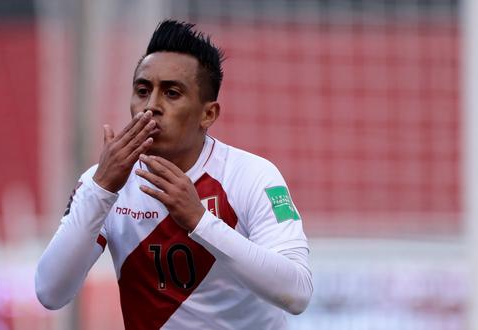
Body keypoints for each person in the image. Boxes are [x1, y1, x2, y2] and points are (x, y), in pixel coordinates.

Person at [35, 19, 313, 329]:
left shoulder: (252, 176)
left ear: (208, 114)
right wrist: (100, 189)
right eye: (143, 90)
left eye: (171, 93)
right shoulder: (103, 183)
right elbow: (51, 292)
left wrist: (200, 221)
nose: (151, 106)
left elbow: (297, 293)